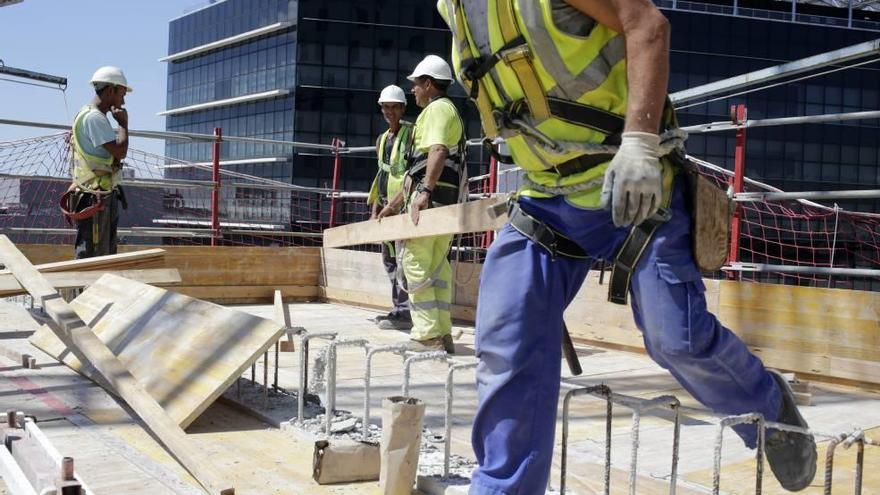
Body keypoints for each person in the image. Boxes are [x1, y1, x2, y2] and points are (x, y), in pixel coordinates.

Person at [436, 0, 817, 493]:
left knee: (675, 338)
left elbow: (647, 24)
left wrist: (639, 142)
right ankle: (502, 487)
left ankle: (769, 408)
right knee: (506, 342)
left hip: (635, 189)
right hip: (546, 197)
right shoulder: (456, 6)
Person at [379, 55, 466, 354]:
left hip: (431, 201)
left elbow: (438, 151)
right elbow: (416, 168)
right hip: (444, 201)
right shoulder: (447, 110)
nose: (413, 90)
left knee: (415, 264)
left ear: (428, 84)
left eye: (416, 85)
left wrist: (425, 191)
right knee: (437, 269)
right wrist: (393, 205)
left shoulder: (437, 110)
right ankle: (441, 333)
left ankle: (427, 335)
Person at [66, 66, 132, 259]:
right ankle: (87, 290)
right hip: (94, 196)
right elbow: (121, 152)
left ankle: (91, 288)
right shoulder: (94, 117)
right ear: (110, 90)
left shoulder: (89, 114)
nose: (123, 100)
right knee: (95, 254)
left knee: (102, 253)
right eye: (121, 93)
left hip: (98, 194)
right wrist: (123, 124)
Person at [368, 85, 415, 331]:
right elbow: (381, 175)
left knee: (404, 261)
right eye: (386, 107)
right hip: (387, 206)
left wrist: (395, 205)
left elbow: (412, 175)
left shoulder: (411, 135)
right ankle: (399, 308)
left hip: (404, 207)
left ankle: (406, 312)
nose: (390, 111)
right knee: (390, 260)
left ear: (403, 108)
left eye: (395, 107)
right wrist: (376, 208)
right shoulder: (382, 139)